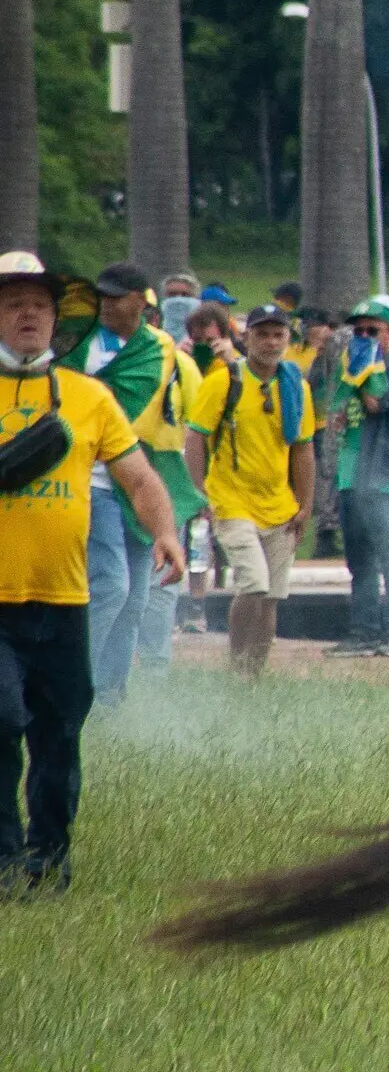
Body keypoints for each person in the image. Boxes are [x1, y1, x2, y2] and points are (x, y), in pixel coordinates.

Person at [1, 254, 181, 898]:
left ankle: (48, 858)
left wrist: (164, 530)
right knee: (1, 719)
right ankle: (3, 858)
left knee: (59, 734)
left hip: (64, 599)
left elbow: (137, 476)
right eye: (14, 303)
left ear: (56, 320)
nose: (28, 314)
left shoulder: (88, 396)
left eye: (40, 305)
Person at [64, 265, 179, 700]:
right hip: (88, 480)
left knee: (135, 598)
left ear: (141, 301)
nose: (107, 304)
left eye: (117, 296)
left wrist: (86, 390)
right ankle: (76, 683)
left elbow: (114, 405)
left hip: (129, 479)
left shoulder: (153, 349)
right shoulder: (78, 332)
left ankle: (110, 693)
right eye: (103, 296)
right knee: (111, 585)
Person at [184, 306, 318, 680]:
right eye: (262, 334)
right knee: (254, 585)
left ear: (288, 340)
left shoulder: (296, 386)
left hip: (279, 505)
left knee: (273, 596)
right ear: (246, 339)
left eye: (279, 335)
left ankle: (254, 678)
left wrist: (305, 505)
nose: (271, 342)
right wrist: (200, 494)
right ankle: (237, 665)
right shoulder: (223, 381)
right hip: (232, 500)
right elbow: (195, 437)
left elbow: (303, 448)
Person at [329, 295, 389, 654]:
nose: (365, 336)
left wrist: (365, 367)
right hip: (352, 475)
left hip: (386, 478)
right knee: (359, 561)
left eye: (373, 330)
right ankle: (363, 631)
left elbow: (374, 404)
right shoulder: (350, 368)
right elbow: (337, 412)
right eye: (359, 331)